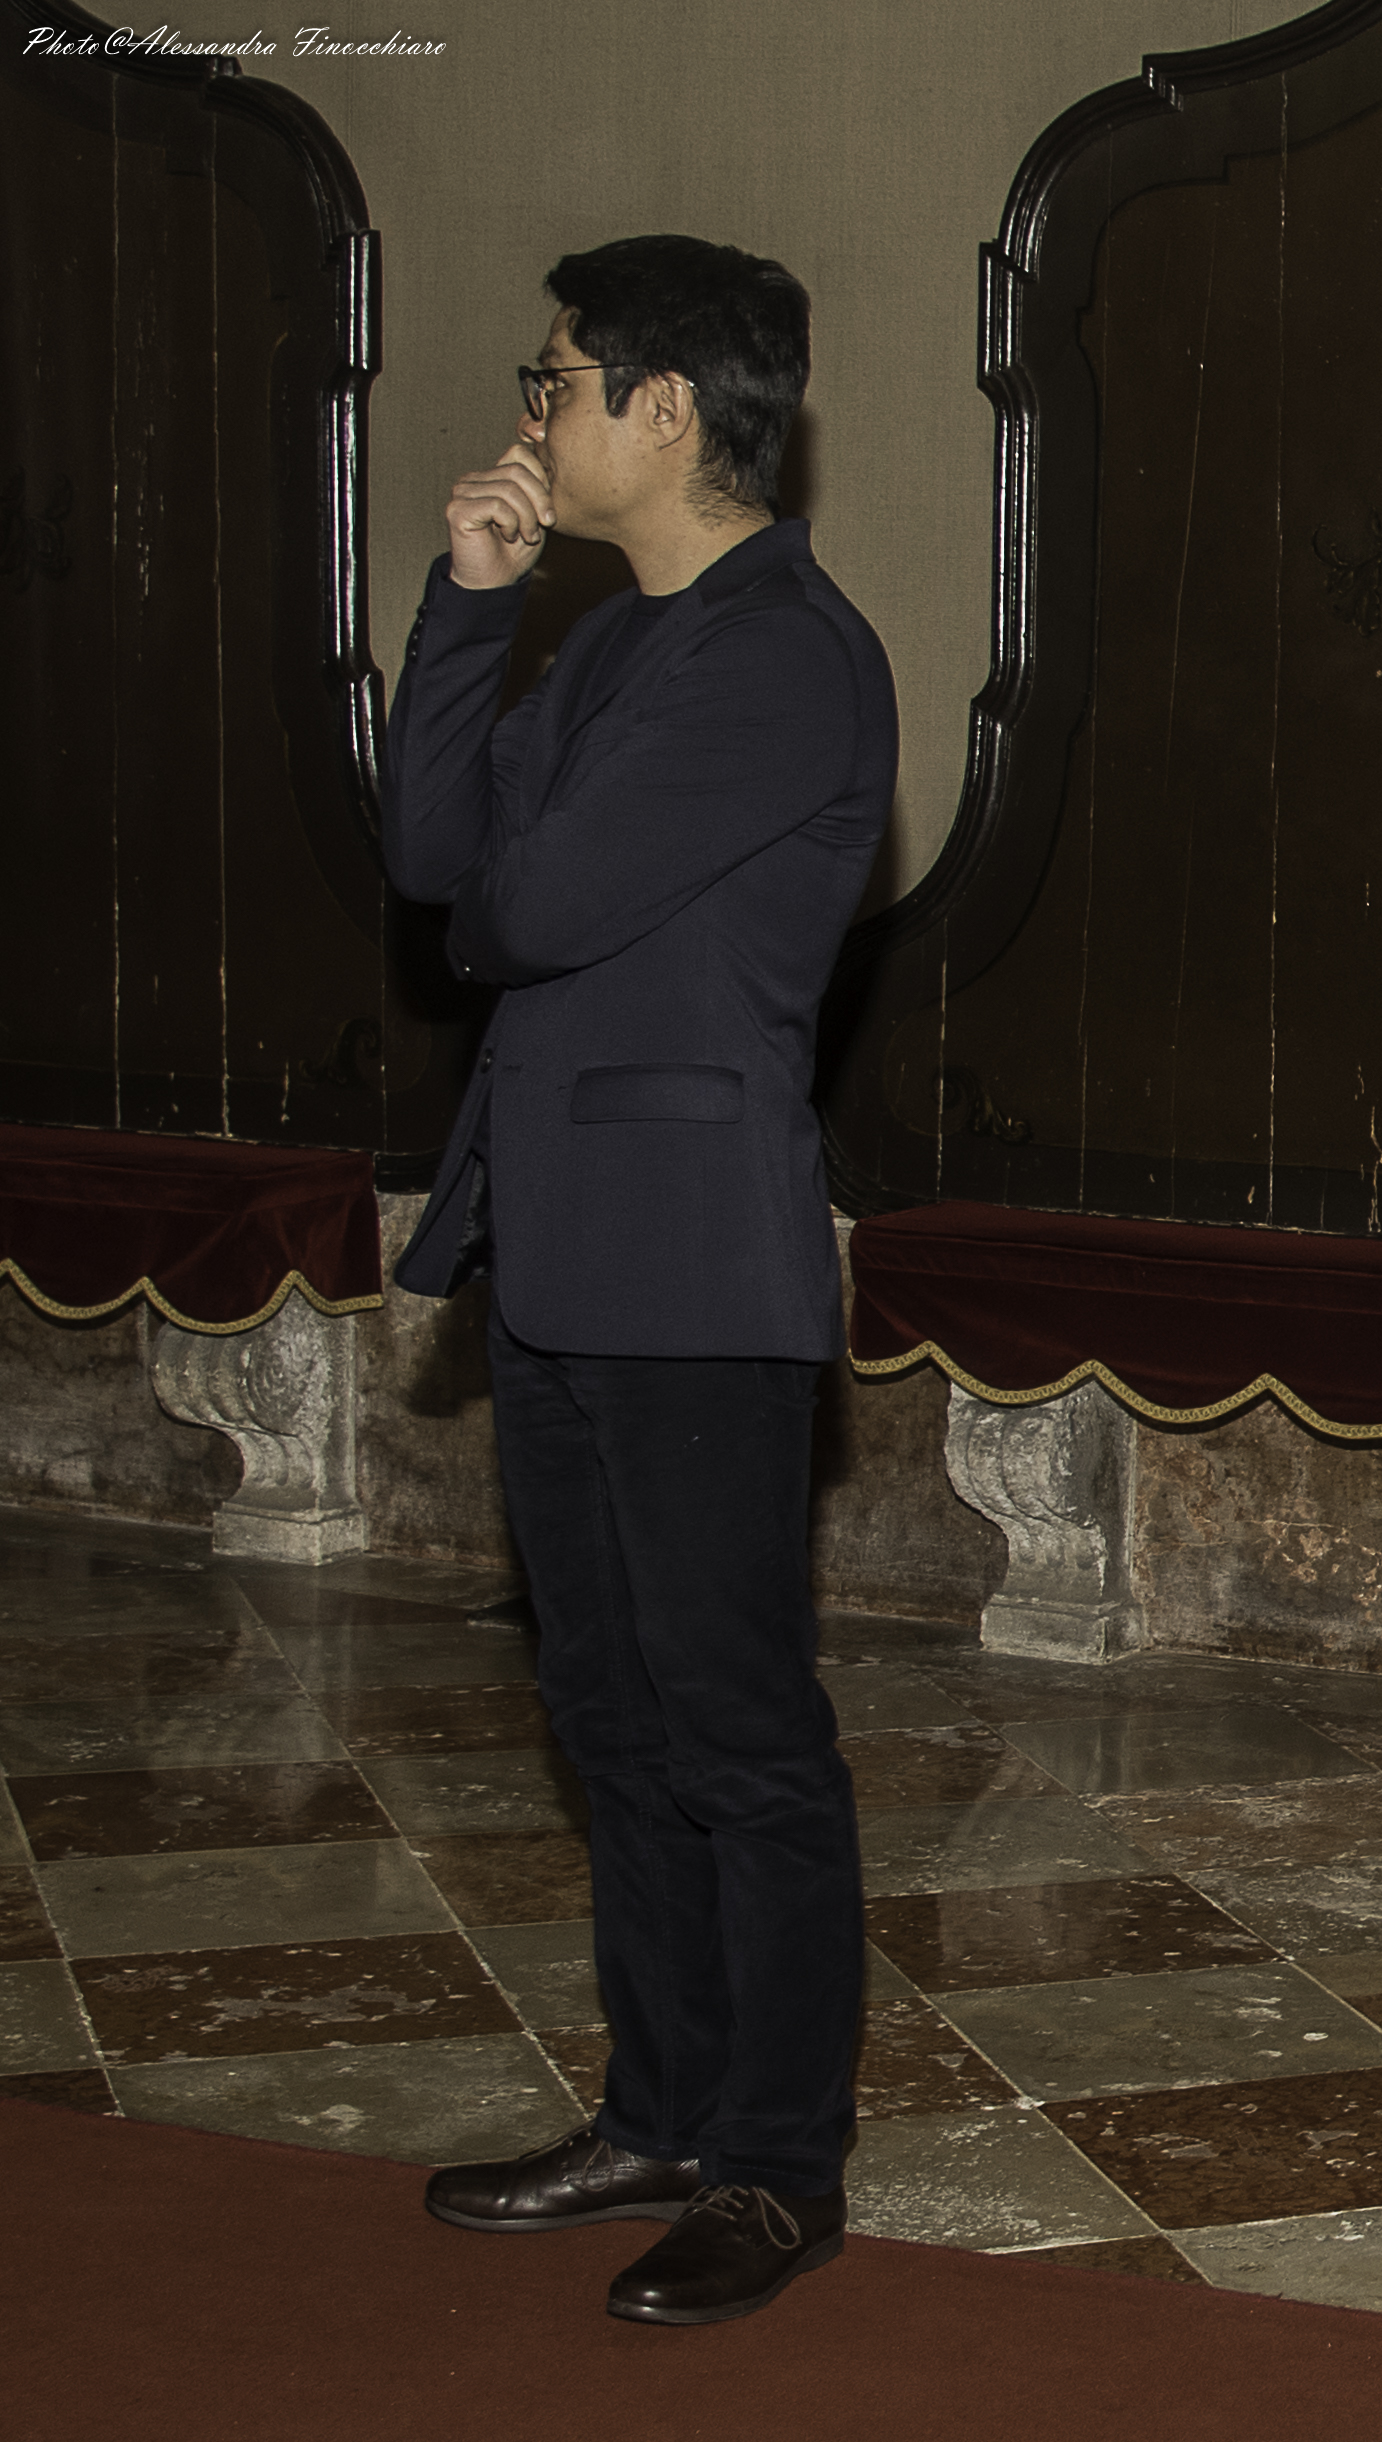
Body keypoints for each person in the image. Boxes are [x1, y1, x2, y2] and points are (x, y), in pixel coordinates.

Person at [390, 237, 897, 2326]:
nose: (535, 412)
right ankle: (659, 2110)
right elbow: (435, 863)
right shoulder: (607, 641)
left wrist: (504, 889)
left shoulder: (789, 657)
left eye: (560, 380)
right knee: (607, 1714)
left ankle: (775, 2163)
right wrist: (471, 604)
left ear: (667, 409)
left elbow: (529, 910)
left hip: (693, 1267)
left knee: (736, 1727)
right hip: (559, 1247)